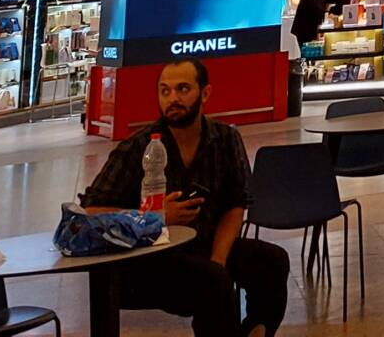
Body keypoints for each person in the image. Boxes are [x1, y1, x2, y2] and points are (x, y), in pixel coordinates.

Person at [81, 58, 287, 337]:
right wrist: (153, 217)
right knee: (212, 282)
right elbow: (92, 211)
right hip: (149, 258)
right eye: (164, 91)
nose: (173, 98)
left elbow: (235, 205)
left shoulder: (225, 140)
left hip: (204, 245)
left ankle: (256, 331)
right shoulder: (138, 147)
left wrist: (218, 259)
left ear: (205, 93)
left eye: (183, 89)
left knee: (271, 261)